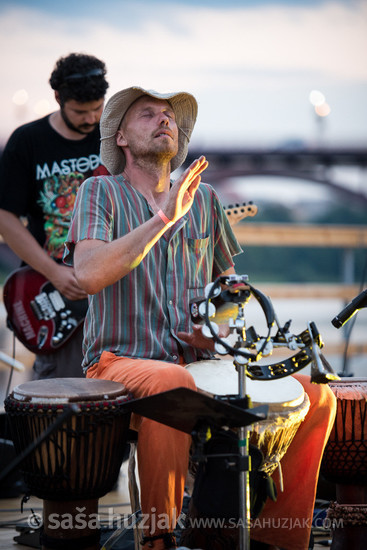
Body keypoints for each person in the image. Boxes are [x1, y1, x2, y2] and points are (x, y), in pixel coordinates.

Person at [64, 86, 336, 550]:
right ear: (123, 138)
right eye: (147, 114)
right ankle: (161, 539)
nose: (163, 120)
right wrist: (163, 220)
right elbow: (87, 274)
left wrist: (221, 332)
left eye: (168, 115)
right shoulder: (100, 191)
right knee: (173, 383)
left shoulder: (205, 200)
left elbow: (229, 291)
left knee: (315, 393)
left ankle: (279, 539)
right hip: (118, 362)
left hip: (201, 366)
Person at [0, 52, 109, 379]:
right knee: (63, 391)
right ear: (58, 98)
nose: (91, 119)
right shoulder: (28, 141)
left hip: (111, 291)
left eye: (97, 108)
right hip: (56, 290)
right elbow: (5, 218)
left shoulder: (115, 137)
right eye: (80, 111)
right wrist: (53, 273)